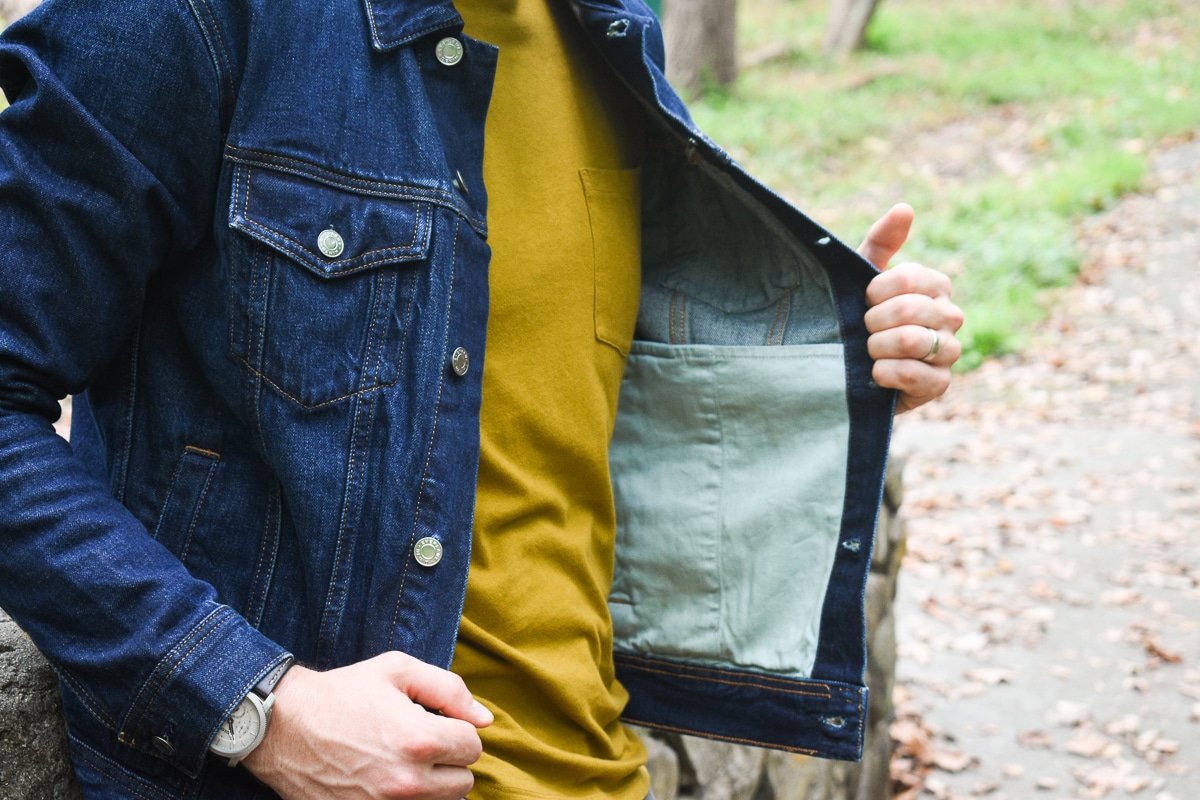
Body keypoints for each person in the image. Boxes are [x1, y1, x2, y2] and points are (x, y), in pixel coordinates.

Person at [0, 1, 963, 799]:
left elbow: (552, 393)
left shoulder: (611, 25)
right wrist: (258, 707)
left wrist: (818, 359)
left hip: (601, 772)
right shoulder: (192, 16)